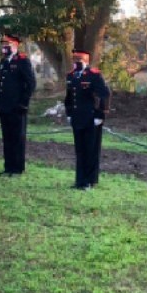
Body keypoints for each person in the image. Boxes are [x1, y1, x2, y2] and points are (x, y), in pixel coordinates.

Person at [64, 49, 111, 190]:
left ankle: (89, 181)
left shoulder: (94, 75)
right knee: (80, 150)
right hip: (77, 118)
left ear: (86, 61)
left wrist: (100, 115)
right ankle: (80, 180)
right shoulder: (71, 76)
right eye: (75, 61)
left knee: (91, 150)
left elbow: (105, 94)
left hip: (91, 118)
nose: (76, 63)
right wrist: (69, 113)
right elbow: (69, 97)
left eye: (79, 61)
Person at [0, 35, 36, 177]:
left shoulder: (22, 61)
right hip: (5, 106)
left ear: (15, 45)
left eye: (7, 44)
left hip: (17, 106)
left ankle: (18, 168)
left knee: (18, 138)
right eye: (3, 44)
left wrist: (23, 103)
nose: (4, 46)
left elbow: (30, 83)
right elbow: (2, 84)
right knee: (7, 137)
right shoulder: (4, 61)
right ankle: (8, 167)